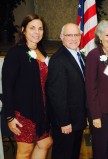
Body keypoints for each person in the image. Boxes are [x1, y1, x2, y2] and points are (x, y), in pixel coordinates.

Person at [2, 14, 52, 159]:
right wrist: (10, 117)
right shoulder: (15, 52)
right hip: (23, 111)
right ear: (23, 30)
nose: (37, 32)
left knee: (45, 143)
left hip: (41, 109)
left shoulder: (41, 51)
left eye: (40, 29)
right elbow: (7, 86)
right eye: (32, 28)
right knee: (25, 152)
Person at [46, 23, 87, 159]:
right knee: (63, 155)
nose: (73, 38)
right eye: (69, 35)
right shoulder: (59, 60)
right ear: (61, 37)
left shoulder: (78, 55)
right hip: (66, 122)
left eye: (76, 34)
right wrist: (64, 121)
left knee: (73, 154)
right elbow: (57, 95)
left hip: (77, 119)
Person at [85, 20, 108, 159]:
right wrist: (95, 115)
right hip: (99, 110)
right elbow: (90, 88)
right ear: (100, 37)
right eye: (107, 35)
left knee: (107, 146)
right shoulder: (94, 56)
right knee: (100, 148)